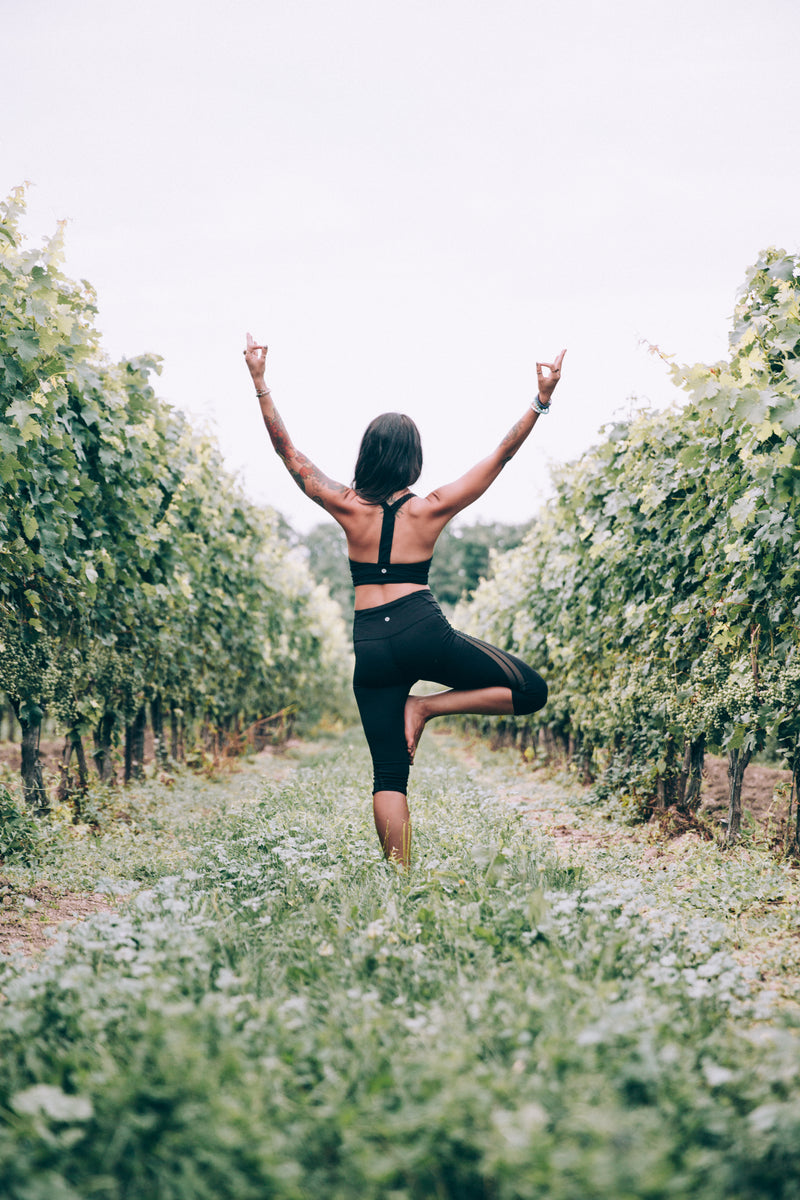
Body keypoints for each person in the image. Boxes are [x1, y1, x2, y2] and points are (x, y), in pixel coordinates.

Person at [244, 334, 565, 866]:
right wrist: (541, 400)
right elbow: (501, 456)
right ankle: (428, 706)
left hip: (370, 640)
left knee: (389, 773)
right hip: (421, 628)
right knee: (529, 690)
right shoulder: (432, 508)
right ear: (415, 459)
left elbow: (288, 453)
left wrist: (259, 383)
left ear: (366, 456)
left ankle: (401, 878)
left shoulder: (346, 506)